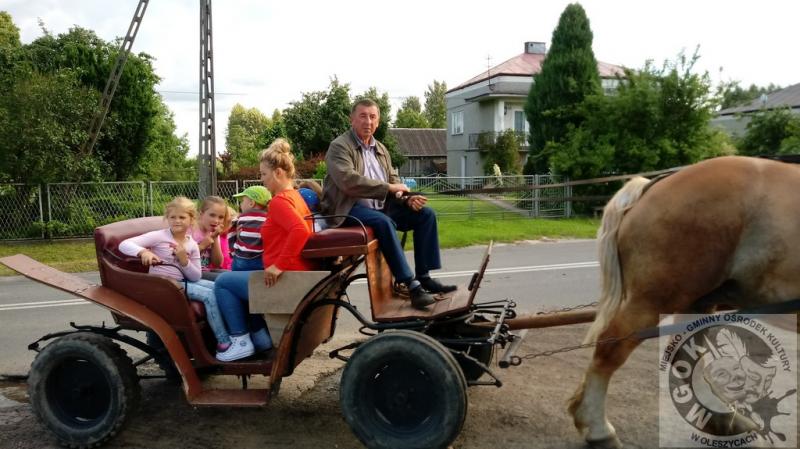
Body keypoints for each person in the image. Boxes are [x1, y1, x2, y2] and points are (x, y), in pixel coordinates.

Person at [321, 99, 455, 309]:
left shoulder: (381, 149)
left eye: (372, 117)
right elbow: (349, 182)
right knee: (383, 222)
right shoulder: (339, 146)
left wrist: (407, 198)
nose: (368, 121)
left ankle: (424, 276)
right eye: (363, 116)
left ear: (378, 121)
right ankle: (411, 285)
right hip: (347, 208)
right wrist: (390, 188)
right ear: (352, 119)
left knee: (425, 215)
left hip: (380, 207)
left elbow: (393, 180)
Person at [214, 139, 317, 362]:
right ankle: (260, 340)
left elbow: (300, 231)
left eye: (263, 174)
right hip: (296, 273)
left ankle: (240, 340)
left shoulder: (279, 201)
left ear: (278, 173)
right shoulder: (296, 196)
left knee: (223, 283)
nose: (261, 180)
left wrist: (278, 266)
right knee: (235, 278)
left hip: (286, 278)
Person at [119, 196, 230, 350]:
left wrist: (184, 261)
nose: (177, 221)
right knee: (208, 295)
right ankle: (223, 341)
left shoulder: (191, 243)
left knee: (218, 288)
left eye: (182, 217)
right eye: (172, 217)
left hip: (181, 282)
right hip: (164, 284)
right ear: (167, 218)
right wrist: (144, 252)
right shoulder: (159, 236)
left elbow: (196, 276)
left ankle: (217, 337)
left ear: (191, 219)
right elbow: (124, 244)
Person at [230, 185, 271, 271]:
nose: (240, 204)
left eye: (242, 201)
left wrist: (233, 253)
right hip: (260, 260)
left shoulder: (241, 218)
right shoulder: (268, 218)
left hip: (240, 260)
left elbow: (230, 234)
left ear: (251, 203)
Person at [191, 195, 226, 280]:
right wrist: (202, 245)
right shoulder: (191, 230)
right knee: (226, 279)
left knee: (234, 276)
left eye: (221, 217)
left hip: (206, 270)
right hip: (192, 272)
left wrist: (214, 238)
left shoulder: (213, 232)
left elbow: (217, 263)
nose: (216, 221)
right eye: (212, 215)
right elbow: (183, 259)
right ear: (201, 214)